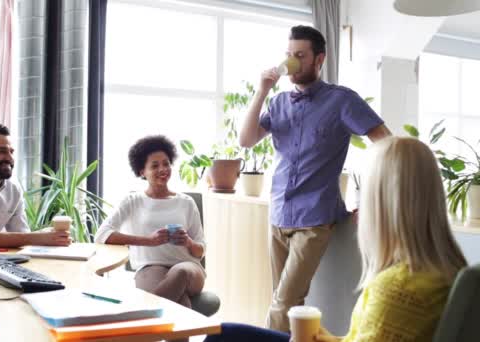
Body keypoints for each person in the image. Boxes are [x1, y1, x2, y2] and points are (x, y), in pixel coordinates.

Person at [205, 137, 468, 342]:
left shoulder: (398, 288)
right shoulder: (449, 272)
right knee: (229, 334)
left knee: (225, 337)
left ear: (381, 204)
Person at [239, 25, 392, 331]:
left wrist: (371, 199)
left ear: (318, 59)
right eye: (288, 54)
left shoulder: (342, 101)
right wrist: (262, 90)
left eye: (300, 55)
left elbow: (387, 144)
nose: (292, 61)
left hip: (315, 218)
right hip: (279, 212)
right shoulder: (279, 102)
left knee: (282, 303)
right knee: (289, 304)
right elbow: (245, 140)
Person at [95, 135, 206, 309]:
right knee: (181, 305)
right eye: (155, 166)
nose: (163, 169)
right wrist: (148, 241)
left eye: (166, 163)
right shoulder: (133, 201)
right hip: (149, 268)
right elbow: (102, 234)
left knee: (180, 272)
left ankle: (137, 316)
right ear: (142, 172)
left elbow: (201, 250)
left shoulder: (186, 202)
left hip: (189, 268)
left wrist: (189, 242)